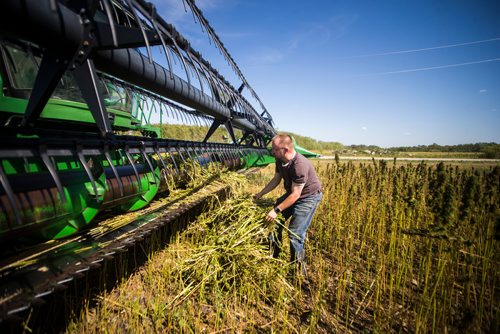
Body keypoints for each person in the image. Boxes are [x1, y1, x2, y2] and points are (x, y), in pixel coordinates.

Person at [254, 134, 322, 276]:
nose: (272, 152)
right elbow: (276, 179)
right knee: (273, 223)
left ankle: (297, 271)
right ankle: (273, 256)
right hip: (293, 193)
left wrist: (276, 210)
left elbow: (296, 195)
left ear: (285, 149)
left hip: (308, 197)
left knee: (295, 233)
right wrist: (261, 193)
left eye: (274, 149)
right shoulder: (280, 159)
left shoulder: (300, 165)